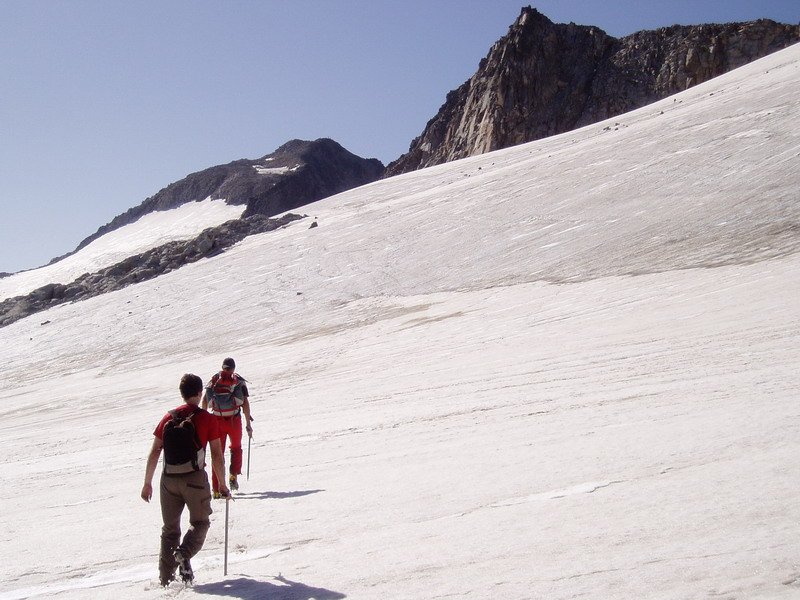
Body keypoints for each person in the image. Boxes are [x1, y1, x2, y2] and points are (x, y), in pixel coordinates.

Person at [141, 373, 231, 587]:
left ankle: (166, 580)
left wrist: (147, 483)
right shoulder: (207, 419)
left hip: (168, 480)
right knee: (200, 522)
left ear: (182, 394)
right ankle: (184, 553)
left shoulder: (168, 417)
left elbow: (155, 451)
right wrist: (223, 485)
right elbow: (216, 455)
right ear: (200, 394)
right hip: (194, 480)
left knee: (169, 530)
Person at [202, 357, 253, 498]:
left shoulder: (213, 381)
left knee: (217, 454)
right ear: (233, 368)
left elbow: (205, 401)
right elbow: (245, 403)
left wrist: (205, 420)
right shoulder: (237, 382)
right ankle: (233, 474)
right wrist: (248, 423)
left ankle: (216, 489)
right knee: (236, 447)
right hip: (234, 421)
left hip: (217, 421)